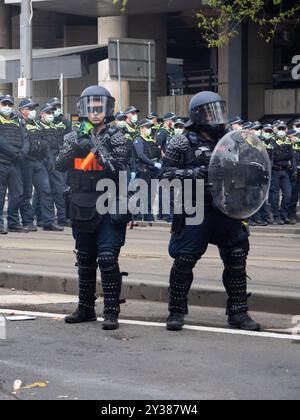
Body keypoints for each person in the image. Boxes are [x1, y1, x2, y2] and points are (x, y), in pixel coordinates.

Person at [160, 91, 260, 332]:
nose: (216, 117)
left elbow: (246, 169)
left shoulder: (231, 140)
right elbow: (164, 175)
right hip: (195, 209)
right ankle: (176, 311)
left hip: (226, 209)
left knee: (236, 258)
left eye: (218, 111)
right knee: (184, 260)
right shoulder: (181, 141)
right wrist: (195, 175)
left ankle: (238, 312)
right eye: (209, 112)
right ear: (197, 116)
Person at [56, 85, 132, 330]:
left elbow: (122, 170)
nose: (95, 113)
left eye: (99, 108)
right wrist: (75, 147)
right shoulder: (72, 135)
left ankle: (111, 312)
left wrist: (103, 156)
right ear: (84, 109)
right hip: (82, 204)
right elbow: (58, 165)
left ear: (107, 110)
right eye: (91, 108)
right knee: (85, 259)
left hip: (109, 204)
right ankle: (85, 308)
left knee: (108, 258)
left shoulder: (117, 136)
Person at [18, 99, 62, 232]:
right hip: (25, 163)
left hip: (38, 162)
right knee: (26, 194)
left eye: (33, 108)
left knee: (46, 191)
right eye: (30, 108)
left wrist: (49, 160)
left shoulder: (38, 124)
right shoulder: (19, 123)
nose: (33, 111)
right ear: (22, 110)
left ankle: (48, 222)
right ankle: (27, 221)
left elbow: (45, 144)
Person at [0, 94, 29, 234]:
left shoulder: (17, 120)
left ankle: (13, 222)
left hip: (16, 164)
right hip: (2, 162)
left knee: (17, 194)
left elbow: (25, 138)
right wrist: (15, 152)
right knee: (0, 194)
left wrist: (23, 152)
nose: (7, 107)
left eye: (9, 105)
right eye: (4, 104)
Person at [133, 119, 161, 223]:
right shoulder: (138, 139)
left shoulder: (150, 140)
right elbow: (140, 155)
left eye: (150, 127)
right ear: (141, 128)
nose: (149, 129)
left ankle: (148, 216)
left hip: (152, 170)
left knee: (151, 194)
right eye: (147, 127)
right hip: (143, 169)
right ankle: (137, 216)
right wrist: (154, 163)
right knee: (141, 193)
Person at [269, 122, 297, 225]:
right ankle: (276, 216)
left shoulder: (289, 142)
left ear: (286, 130)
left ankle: (284, 215)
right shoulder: (271, 141)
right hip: (275, 171)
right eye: (279, 128)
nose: (281, 130)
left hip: (285, 171)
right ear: (276, 129)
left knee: (288, 194)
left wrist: (294, 170)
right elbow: (271, 158)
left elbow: (292, 157)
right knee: (274, 196)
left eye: (283, 128)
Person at [288, 129, 300, 223]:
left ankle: (293, 213)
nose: (296, 137)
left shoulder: (297, 145)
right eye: (294, 136)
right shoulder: (287, 146)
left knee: (295, 194)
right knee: (291, 194)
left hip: (298, 172)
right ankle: (290, 214)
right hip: (290, 173)